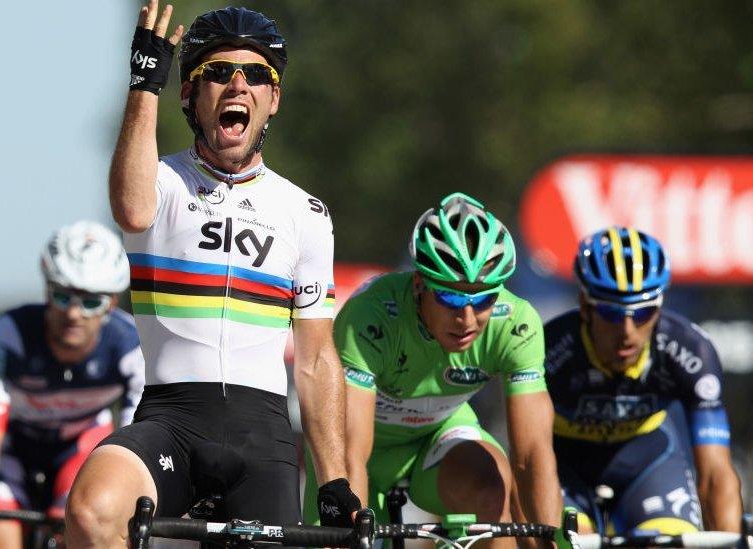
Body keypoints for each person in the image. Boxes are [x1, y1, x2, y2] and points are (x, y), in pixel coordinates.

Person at [66, 1, 360, 546]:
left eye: (255, 75)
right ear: (189, 95)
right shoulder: (160, 182)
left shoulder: (306, 213)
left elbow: (317, 358)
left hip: (263, 437)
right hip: (171, 419)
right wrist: (143, 84)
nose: (237, 85)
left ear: (273, 100)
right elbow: (129, 209)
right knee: (92, 510)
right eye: (218, 73)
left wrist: (336, 477)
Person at [304, 193, 563, 549]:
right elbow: (351, 456)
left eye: (484, 299)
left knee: (493, 488)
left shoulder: (516, 323)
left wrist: (552, 540)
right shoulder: (372, 316)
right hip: (362, 450)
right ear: (419, 285)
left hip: (437, 438)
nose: (467, 318)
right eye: (452, 299)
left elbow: (533, 454)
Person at [0, 221, 144, 549]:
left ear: (112, 303)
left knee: (82, 523)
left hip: (82, 445)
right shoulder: (5, 338)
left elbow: (136, 448)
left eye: (91, 302)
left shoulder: (130, 345)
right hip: (14, 452)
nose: (74, 313)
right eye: (63, 296)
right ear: (46, 290)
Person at [545, 226, 741, 535]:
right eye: (611, 313)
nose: (627, 331)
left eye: (643, 313)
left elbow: (716, 472)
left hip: (649, 462)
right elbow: (527, 452)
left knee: (668, 544)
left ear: (660, 307)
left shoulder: (690, 351)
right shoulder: (550, 351)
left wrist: (731, 542)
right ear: (585, 306)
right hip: (563, 467)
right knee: (572, 541)